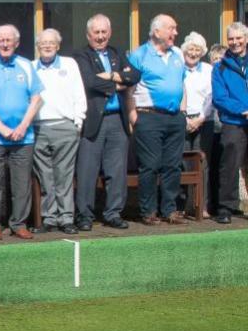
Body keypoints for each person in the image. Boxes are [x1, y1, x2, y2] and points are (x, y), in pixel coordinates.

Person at [0, 25, 43, 240]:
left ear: (16, 43)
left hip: (23, 136)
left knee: (21, 183)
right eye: (1, 40)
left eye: (9, 40)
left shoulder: (26, 66)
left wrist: (22, 127)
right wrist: (2, 128)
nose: (5, 44)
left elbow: (37, 99)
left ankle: (19, 223)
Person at [72, 14, 140, 231]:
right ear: (88, 34)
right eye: (96, 32)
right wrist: (119, 82)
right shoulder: (80, 54)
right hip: (93, 121)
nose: (100, 37)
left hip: (117, 120)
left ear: (109, 33)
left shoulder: (117, 52)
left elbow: (135, 75)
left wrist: (110, 76)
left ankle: (113, 213)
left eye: (104, 32)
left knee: (117, 169)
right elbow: (89, 81)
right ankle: (84, 215)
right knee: (87, 170)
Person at [127, 14, 187, 226]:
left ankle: (169, 210)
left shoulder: (178, 53)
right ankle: (148, 211)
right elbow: (129, 88)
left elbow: (182, 84)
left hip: (175, 118)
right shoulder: (139, 55)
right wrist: (133, 116)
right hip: (149, 116)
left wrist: (184, 112)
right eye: (172, 28)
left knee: (172, 165)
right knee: (150, 166)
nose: (175, 33)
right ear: (157, 31)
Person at [31, 28, 86, 234]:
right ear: (38, 47)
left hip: (65, 126)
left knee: (64, 175)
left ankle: (66, 218)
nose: (47, 46)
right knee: (45, 176)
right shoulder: (31, 67)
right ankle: (49, 218)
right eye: (43, 43)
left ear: (58, 45)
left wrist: (78, 122)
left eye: (51, 42)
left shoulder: (69, 64)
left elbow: (79, 93)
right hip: (38, 127)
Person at [210, 20, 248, 224]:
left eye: (239, 38)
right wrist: (243, 110)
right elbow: (219, 98)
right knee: (230, 164)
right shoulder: (220, 67)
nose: (235, 42)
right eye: (231, 39)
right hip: (234, 121)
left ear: (246, 38)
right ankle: (226, 207)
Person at [180, 32, 214, 218]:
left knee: (202, 164)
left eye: (197, 50)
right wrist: (185, 119)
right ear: (184, 50)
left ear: (202, 53)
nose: (193, 53)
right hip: (183, 121)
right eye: (190, 49)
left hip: (204, 121)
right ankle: (184, 206)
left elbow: (211, 97)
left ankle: (202, 206)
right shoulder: (178, 69)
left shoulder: (208, 69)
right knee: (183, 163)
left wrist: (200, 118)